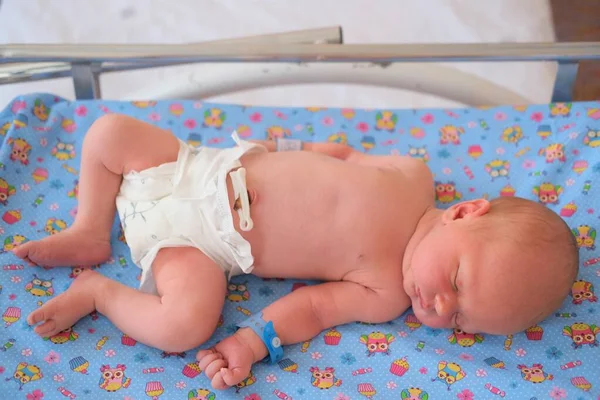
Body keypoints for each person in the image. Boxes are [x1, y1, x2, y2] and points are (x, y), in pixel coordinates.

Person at [13, 114, 579, 390]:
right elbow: (340, 155)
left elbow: (312, 309)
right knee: (107, 132)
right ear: (464, 212)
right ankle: (90, 227)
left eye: (458, 320)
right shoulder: (412, 175)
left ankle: (98, 292)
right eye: (456, 278)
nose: (435, 304)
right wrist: (283, 147)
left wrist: (252, 341)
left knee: (184, 324)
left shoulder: (383, 294)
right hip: (198, 165)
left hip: (203, 247)